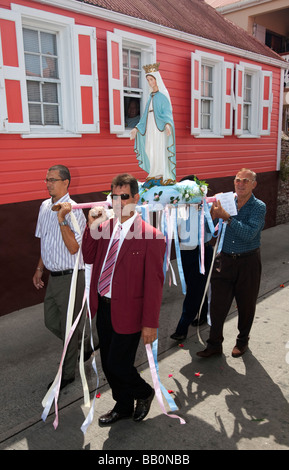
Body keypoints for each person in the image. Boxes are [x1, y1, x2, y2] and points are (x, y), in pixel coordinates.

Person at [82, 173, 166, 425]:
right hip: (104, 307)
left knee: (119, 364)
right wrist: (90, 225)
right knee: (108, 364)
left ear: (136, 198)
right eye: (114, 196)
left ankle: (144, 392)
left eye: (124, 196)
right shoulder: (105, 227)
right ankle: (123, 405)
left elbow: (154, 285)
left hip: (130, 312)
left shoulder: (152, 236)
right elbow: (87, 255)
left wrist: (150, 323)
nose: (118, 202)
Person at [197, 168, 266, 359]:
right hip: (224, 260)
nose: (241, 184)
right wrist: (211, 217)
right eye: (238, 180)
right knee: (217, 305)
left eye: (245, 181)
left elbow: (249, 233)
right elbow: (212, 234)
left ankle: (242, 341)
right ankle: (214, 345)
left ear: (254, 184)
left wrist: (227, 217)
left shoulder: (258, 206)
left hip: (248, 262)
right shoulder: (226, 202)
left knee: (246, 304)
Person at [33, 164, 91, 390]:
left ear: (66, 182)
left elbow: (75, 248)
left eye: (53, 180)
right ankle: (82, 345)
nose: (48, 183)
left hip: (71, 277)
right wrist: (39, 269)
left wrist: (62, 218)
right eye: (46, 179)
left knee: (67, 328)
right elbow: (44, 240)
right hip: (53, 276)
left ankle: (67, 374)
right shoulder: (44, 206)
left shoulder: (75, 209)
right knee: (51, 321)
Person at [170, 176, 213, 341]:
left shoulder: (206, 205)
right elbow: (175, 227)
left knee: (195, 289)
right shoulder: (179, 207)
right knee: (194, 286)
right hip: (186, 251)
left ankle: (182, 328)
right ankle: (202, 313)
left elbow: (213, 226)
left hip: (203, 250)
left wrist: (205, 210)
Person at [130, 63, 176, 186]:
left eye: (151, 79)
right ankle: (153, 173)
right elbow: (144, 116)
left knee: (160, 149)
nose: (150, 82)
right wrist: (136, 128)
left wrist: (167, 124)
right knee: (150, 149)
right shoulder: (150, 97)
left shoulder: (163, 95)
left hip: (159, 129)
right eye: (148, 80)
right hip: (150, 127)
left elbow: (167, 112)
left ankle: (161, 173)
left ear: (157, 80)